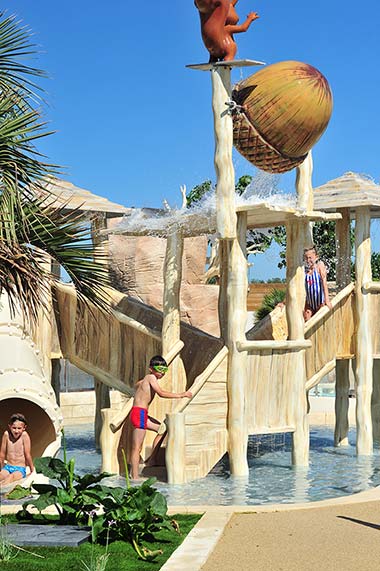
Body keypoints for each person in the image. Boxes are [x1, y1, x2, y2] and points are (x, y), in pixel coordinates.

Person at [129, 355, 192, 480]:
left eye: (164, 370)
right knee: (137, 447)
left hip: (141, 414)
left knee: (163, 429)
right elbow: (161, 393)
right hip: (139, 413)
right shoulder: (151, 377)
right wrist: (181, 395)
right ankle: (134, 476)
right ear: (151, 369)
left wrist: (141, 386)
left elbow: (136, 385)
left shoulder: (146, 379)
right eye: (159, 369)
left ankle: (152, 460)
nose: (161, 373)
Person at [0, 413, 34, 486]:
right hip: (8, 467)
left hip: (20, 469)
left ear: (24, 428)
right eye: (14, 428)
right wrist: (2, 468)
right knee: (1, 476)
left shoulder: (24, 435)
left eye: (19, 428)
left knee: (10, 478)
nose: (16, 431)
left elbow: (27, 454)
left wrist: (32, 470)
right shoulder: (6, 435)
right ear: (10, 426)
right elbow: (2, 454)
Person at [303, 246, 332, 321]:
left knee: (318, 319)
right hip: (309, 304)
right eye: (306, 258)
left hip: (320, 303)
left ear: (316, 257)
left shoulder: (319, 266)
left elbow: (324, 283)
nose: (308, 260)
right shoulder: (304, 271)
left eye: (310, 258)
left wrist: (327, 300)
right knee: (306, 319)